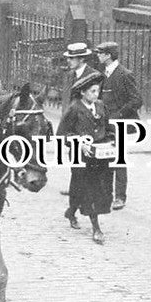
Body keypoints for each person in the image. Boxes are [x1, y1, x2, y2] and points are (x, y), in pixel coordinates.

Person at [57, 72, 113, 245]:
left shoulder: (101, 106)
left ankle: (71, 212)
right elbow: (62, 134)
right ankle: (96, 228)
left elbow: (109, 128)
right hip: (81, 156)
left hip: (100, 156)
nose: (96, 95)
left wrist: (112, 142)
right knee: (88, 189)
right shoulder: (74, 109)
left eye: (98, 91)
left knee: (88, 188)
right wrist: (79, 143)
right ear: (82, 92)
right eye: (92, 92)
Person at [94, 42, 143, 210]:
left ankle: (120, 197)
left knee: (119, 160)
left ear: (108, 55)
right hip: (105, 124)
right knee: (104, 157)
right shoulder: (103, 74)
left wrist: (119, 115)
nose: (98, 56)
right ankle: (104, 193)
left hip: (120, 124)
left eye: (100, 53)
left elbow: (136, 100)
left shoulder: (124, 74)